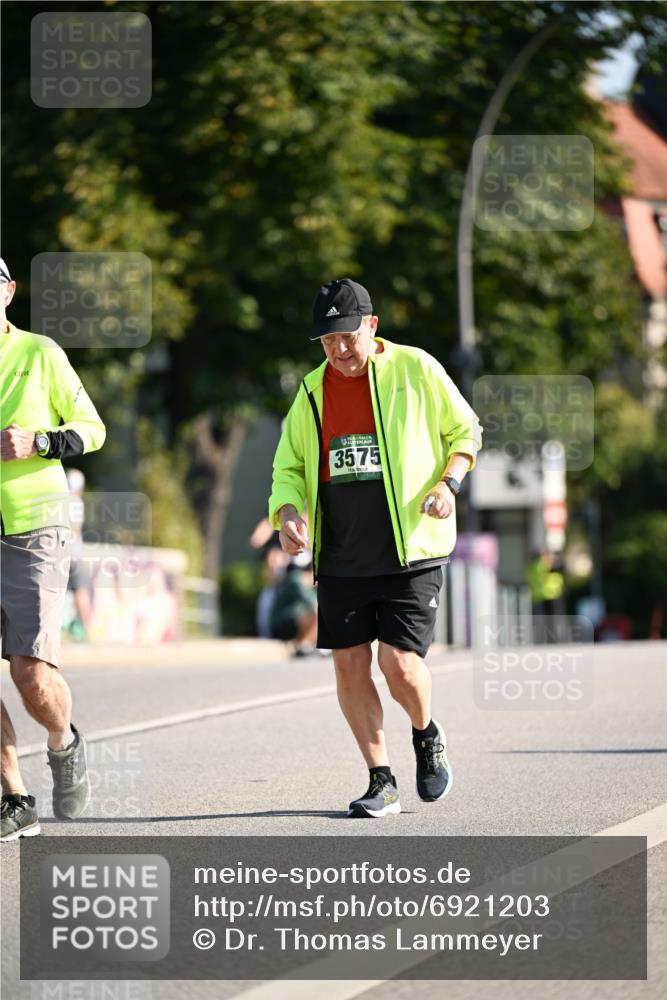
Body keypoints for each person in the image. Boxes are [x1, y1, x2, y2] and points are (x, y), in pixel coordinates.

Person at [269, 278, 482, 817]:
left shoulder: (417, 370)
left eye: (346, 336)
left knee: (399, 665)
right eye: (326, 341)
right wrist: (289, 513)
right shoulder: (312, 391)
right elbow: (288, 467)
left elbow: (466, 432)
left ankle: (426, 734)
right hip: (341, 553)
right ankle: (380, 778)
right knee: (348, 665)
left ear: (371, 325)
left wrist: (448, 485)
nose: (338, 350)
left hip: (410, 548)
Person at [0, 257, 106, 841]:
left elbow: (93, 428)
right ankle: (14, 796)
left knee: (29, 671)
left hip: (34, 526)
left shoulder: (41, 354)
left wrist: (40, 440)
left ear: (9, 292)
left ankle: (63, 741)